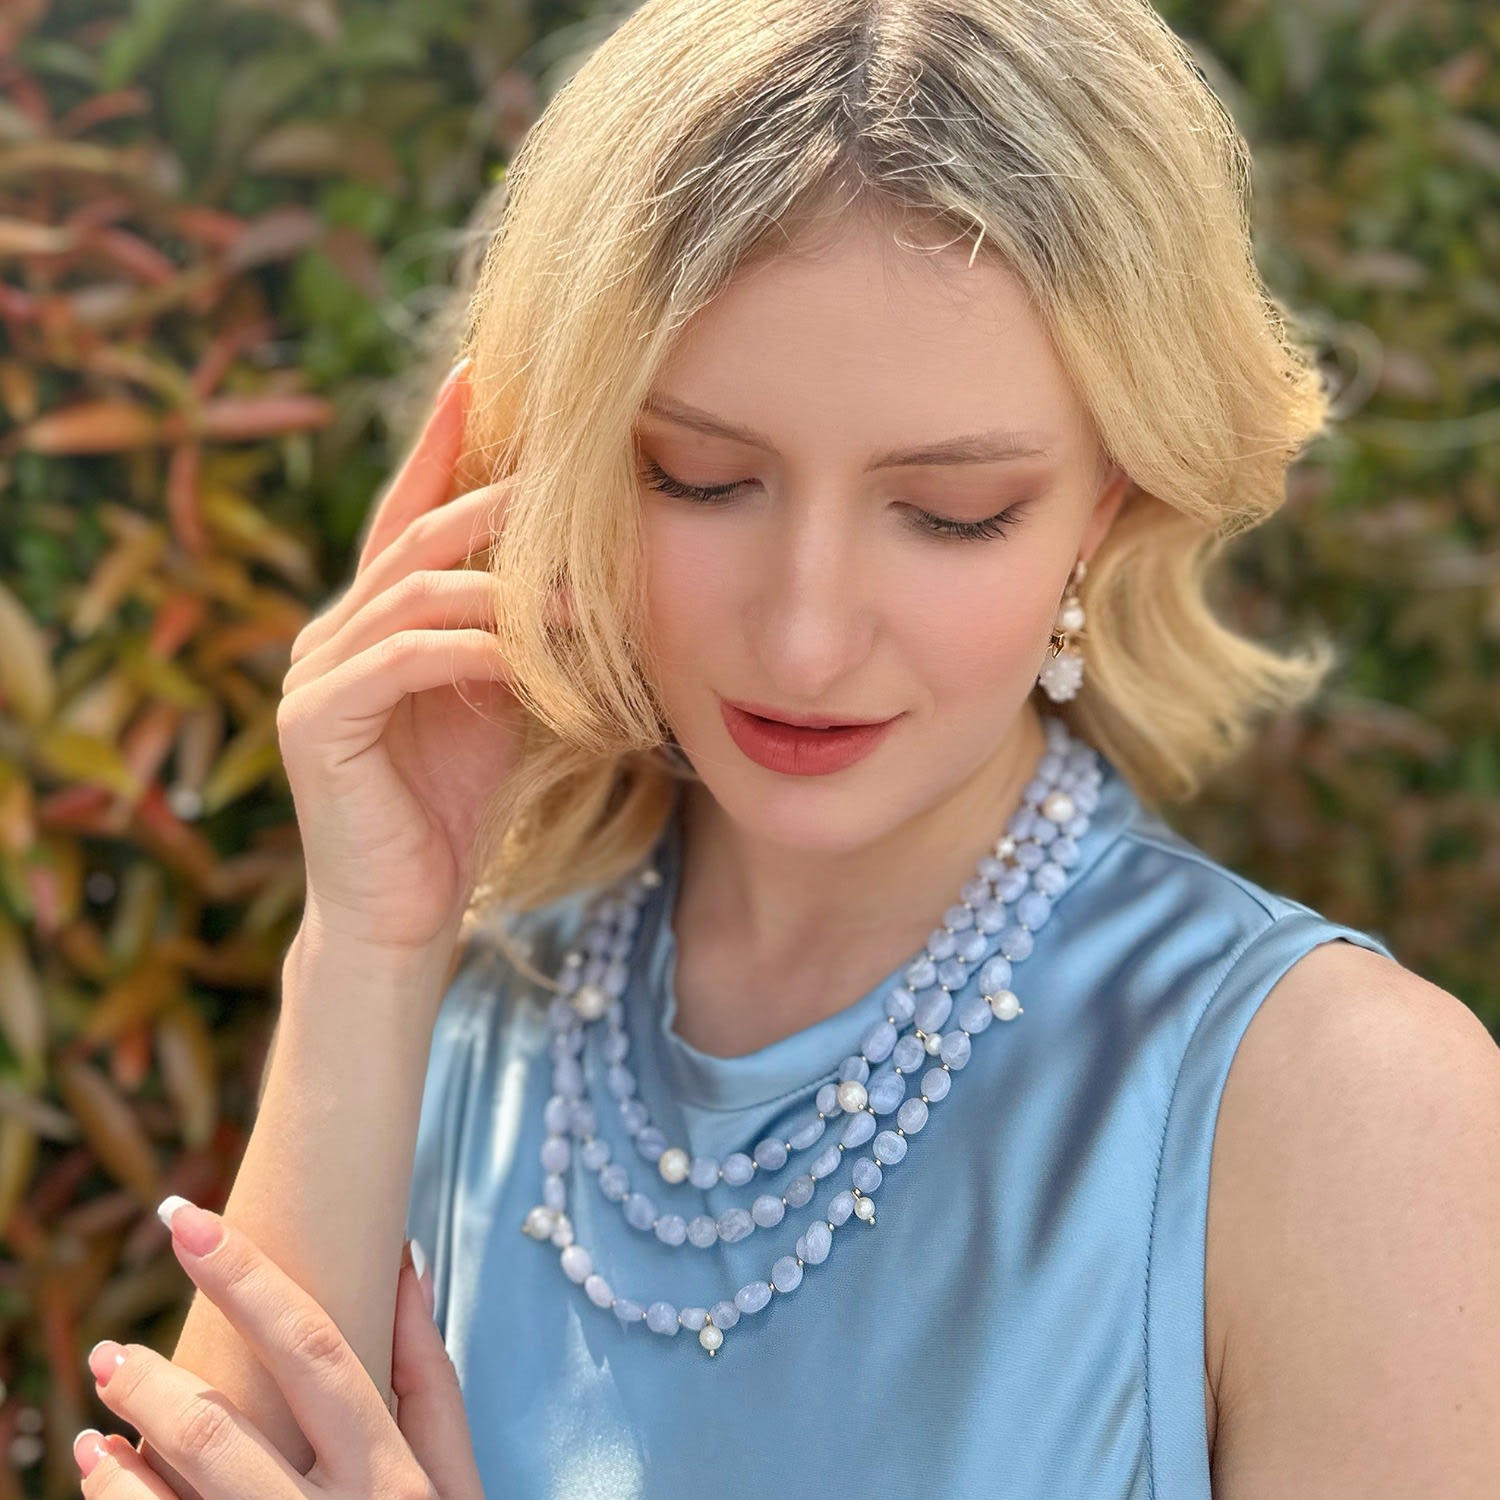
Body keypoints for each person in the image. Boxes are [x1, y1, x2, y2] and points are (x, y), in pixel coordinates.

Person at [81, 2, 1499, 1498]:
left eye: (951, 512)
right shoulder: (449, 1019)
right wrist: (367, 945)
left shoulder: (1355, 1113)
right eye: (698, 478)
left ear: (1110, 499)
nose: (807, 639)